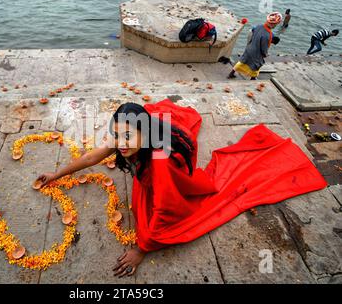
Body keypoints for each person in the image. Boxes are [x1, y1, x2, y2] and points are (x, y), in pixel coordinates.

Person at [36, 99, 327, 277]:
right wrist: (58, 173)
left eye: (127, 137)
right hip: (162, 141)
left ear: (145, 133)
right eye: (116, 136)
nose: (119, 143)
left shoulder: (160, 164)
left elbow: (165, 208)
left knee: (148, 218)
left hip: (175, 161)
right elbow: (94, 155)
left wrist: (142, 248)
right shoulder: (126, 136)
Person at [228, 12, 282, 80]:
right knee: (256, 66)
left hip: (249, 48)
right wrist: (265, 54)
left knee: (242, 61)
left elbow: (252, 32)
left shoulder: (259, 26)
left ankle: (231, 73)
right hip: (256, 53)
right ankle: (253, 79)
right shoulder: (268, 35)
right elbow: (263, 48)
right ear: (274, 24)